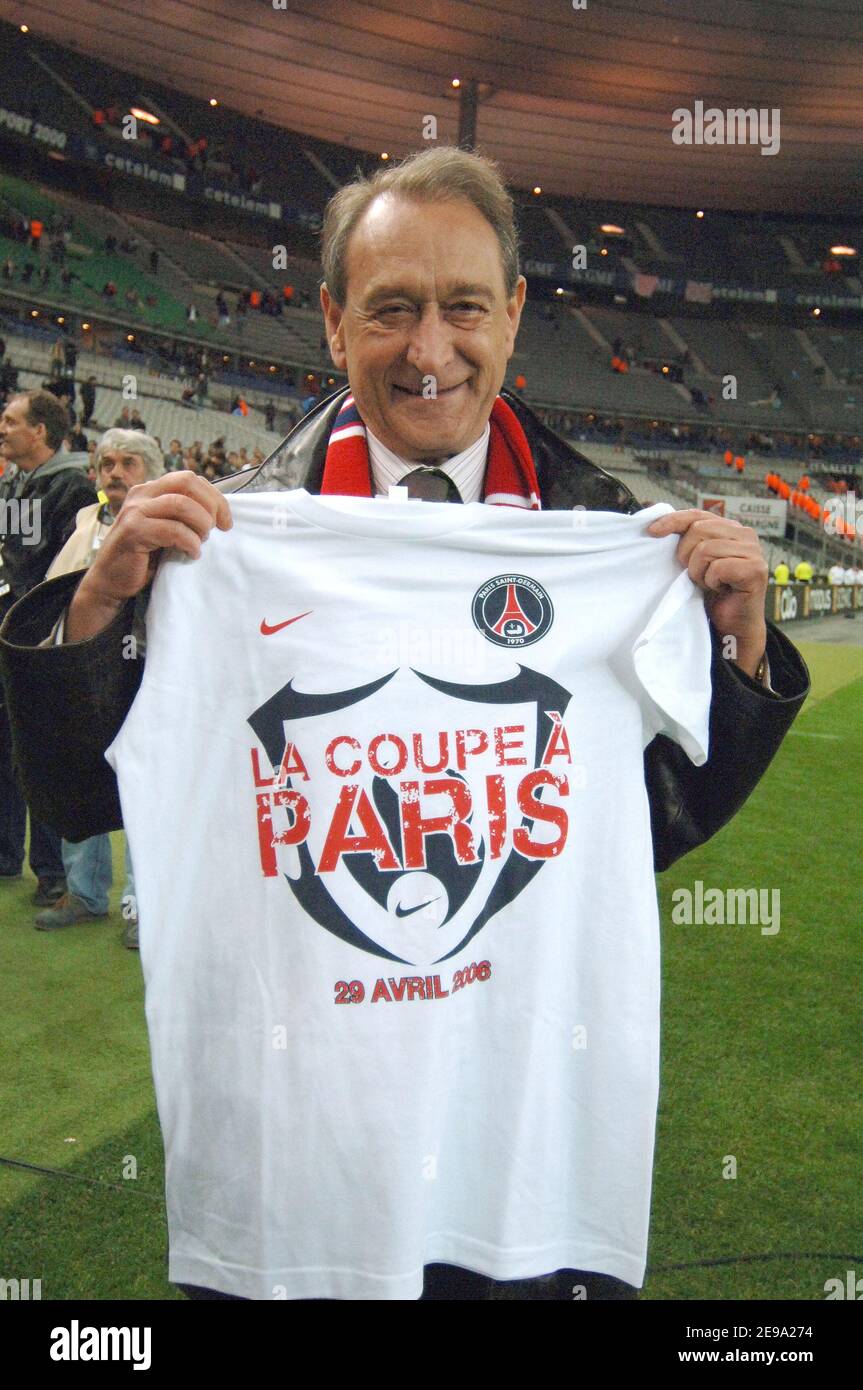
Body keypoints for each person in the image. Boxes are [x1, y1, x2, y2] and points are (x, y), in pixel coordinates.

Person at [0, 147, 809, 1303]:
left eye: (463, 307)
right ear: (332, 324)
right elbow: (82, 800)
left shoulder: (612, 540)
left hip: (522, 1165)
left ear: (515, 314)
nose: (430, 352)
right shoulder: (220, 541)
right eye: (390, 311)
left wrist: (732, 646)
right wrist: (98, 613)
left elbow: (651, 823)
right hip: (298, 1162)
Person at [35, 429, 163, 945]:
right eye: (107, 463)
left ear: (153, 471)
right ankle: (84, 893)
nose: (114, 472)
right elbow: (55, 588)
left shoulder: (170, 525)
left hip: (146, 667)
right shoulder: (84, 521)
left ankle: (143, 905)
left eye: (128, 462)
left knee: (143, 788)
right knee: (82, 776)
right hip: (85, 671)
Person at [0, 390, 97, 902]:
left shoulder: (72, 487)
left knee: (42, 749)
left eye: (12, 421)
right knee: (5, 743)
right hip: (9, 629)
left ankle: (54, 871)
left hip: (41, 638)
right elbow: (15, 558)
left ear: (40, 431)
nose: (3, 429)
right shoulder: (18, 484)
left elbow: (68, 571)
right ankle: (6, 853)